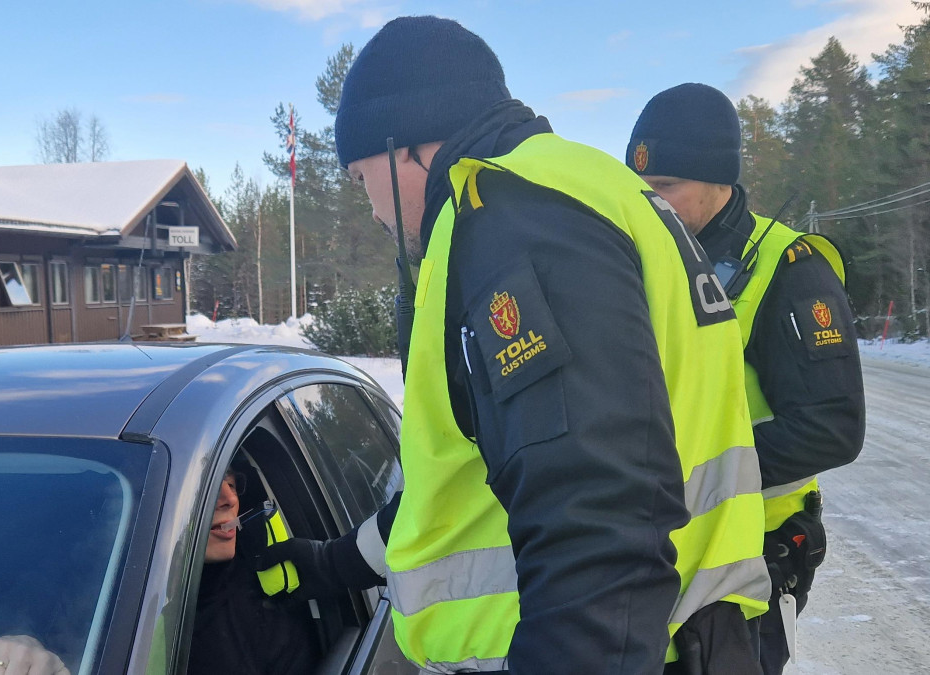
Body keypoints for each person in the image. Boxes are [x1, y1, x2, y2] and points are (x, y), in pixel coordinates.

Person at [259, 16, 771, 674]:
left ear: (402, 146)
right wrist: (327, 564)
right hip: (686, 638)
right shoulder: (588, 189)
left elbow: (594, 528)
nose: (375, 212)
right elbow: (477, 489)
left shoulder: (511, 219)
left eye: (362, 181)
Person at [626, 83, 866, 675]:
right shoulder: (652, 261)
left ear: (720, 180)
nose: (650, 204)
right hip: (664, 551)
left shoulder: (789, 268)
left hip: (749, 563)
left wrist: (677, 471)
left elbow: (832, 428)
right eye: (641, 191)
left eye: (666, 189)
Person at [0, 468, 317, 675]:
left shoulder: (264, 615)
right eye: (207, 485)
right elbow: (14, 612)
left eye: (230, 482)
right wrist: (18, 639)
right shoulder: (64, 582)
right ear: (110, 516)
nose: (228, 498)